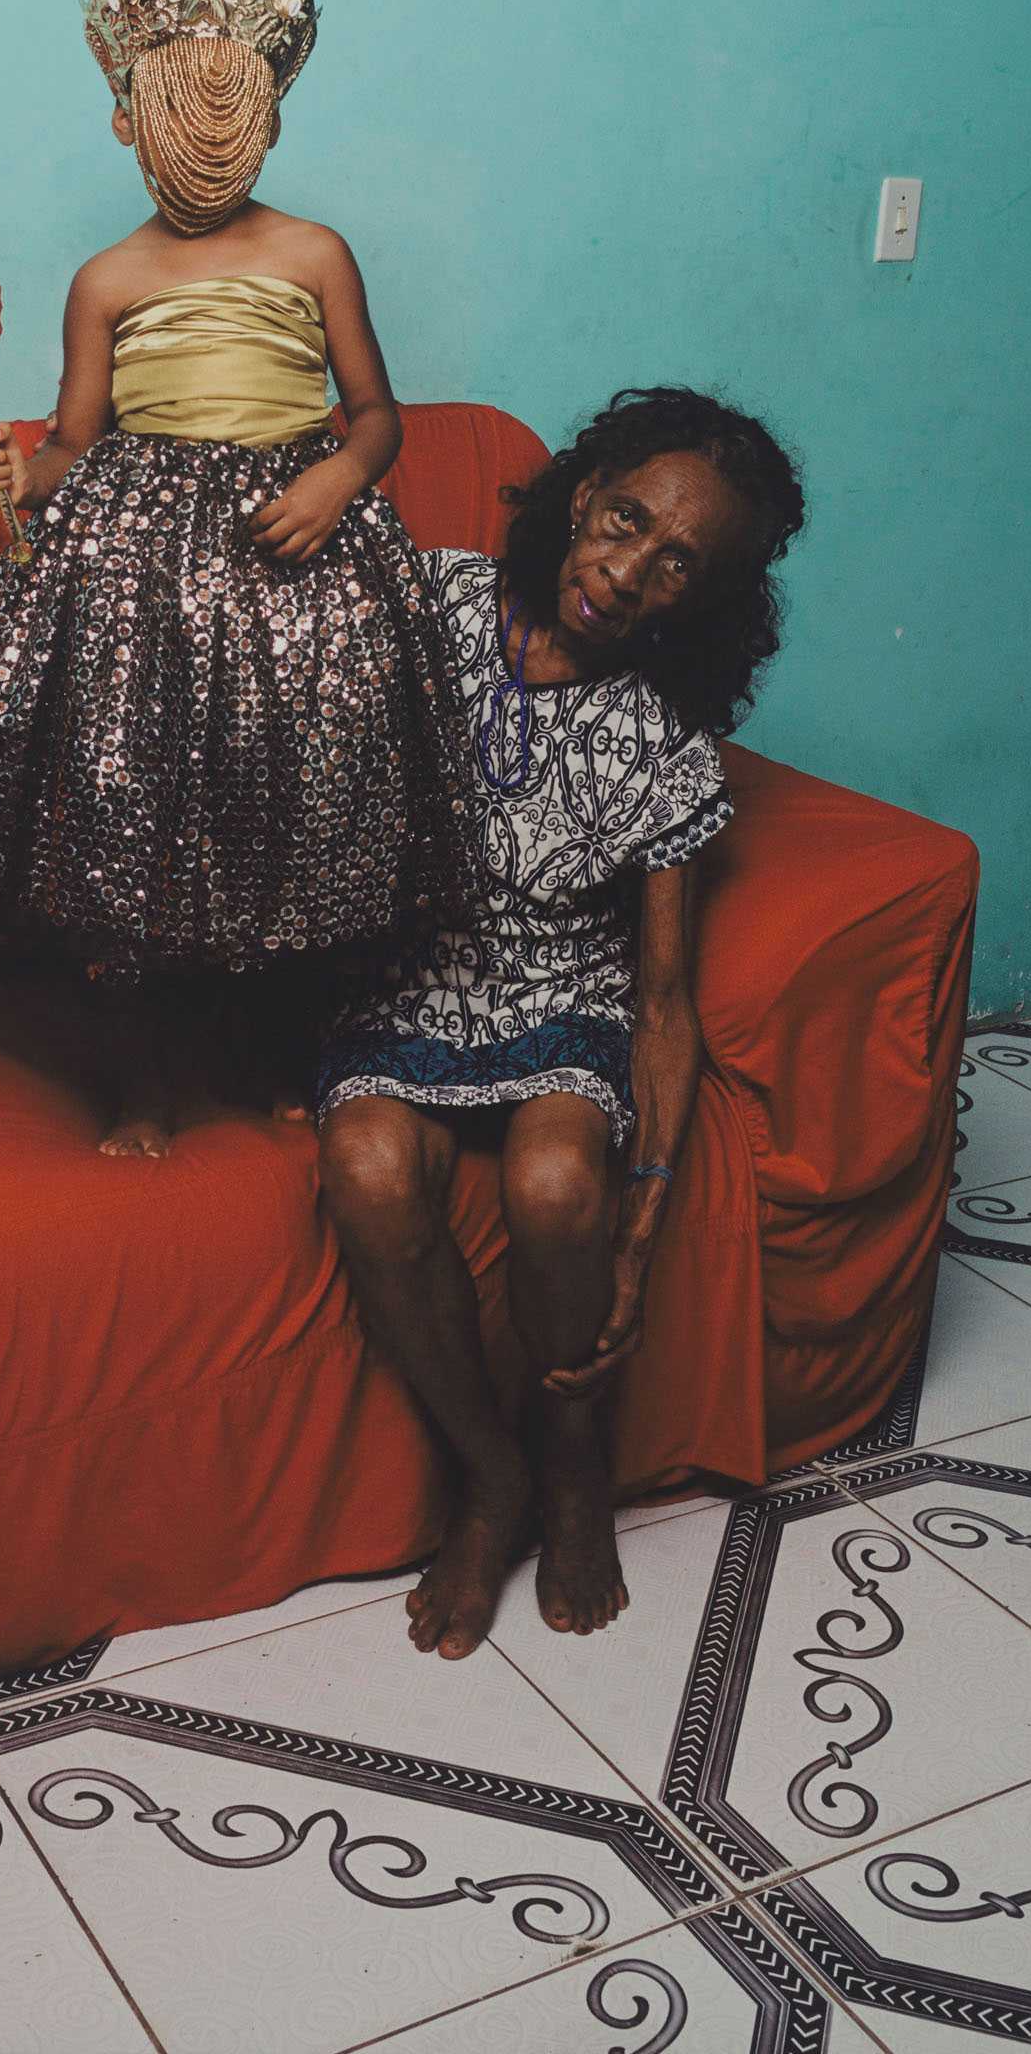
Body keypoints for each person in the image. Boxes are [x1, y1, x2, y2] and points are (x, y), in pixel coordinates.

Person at [0, 0, 474, 1157]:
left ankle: (272, 1055)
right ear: (128, 123)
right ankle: (142, 1083)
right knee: (136, 822)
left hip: (299, 573)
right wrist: (13, 468)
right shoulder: (106, 280)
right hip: (140, 590)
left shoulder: (316, 254)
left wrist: (336, 483)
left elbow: (376, 417)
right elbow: (72, 449)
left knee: (294, 813)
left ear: (263, 118)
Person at [312, 388, 806, 1658]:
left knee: (552, 1179)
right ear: (583, 495)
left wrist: (642, 1235)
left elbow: (658, 1000)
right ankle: (494, 1477)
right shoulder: (429, 599)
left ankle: (574, 1462)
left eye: (675, 563)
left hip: (557, 994)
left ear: (704, 596)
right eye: (625, 520)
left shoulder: (663, 740)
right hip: (405, 980)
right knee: (368, 1164)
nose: (627, 570)